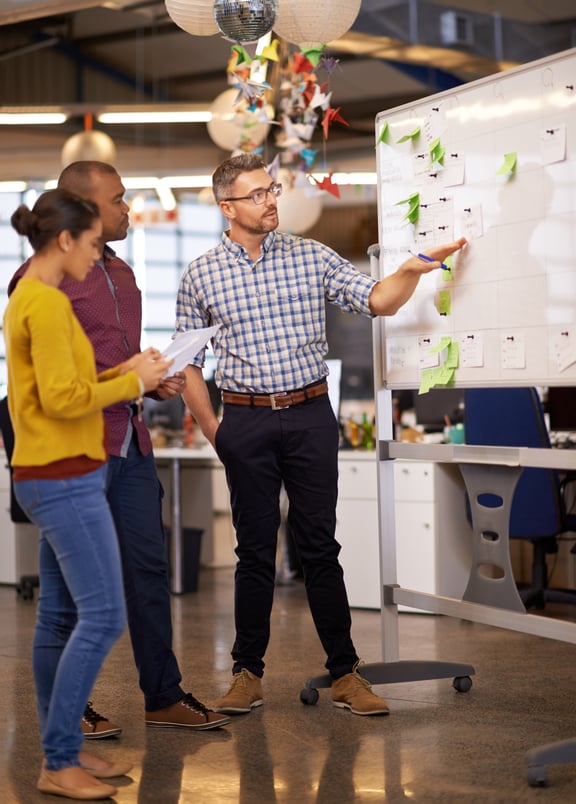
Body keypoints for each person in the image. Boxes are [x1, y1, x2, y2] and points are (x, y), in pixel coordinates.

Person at [175, 153, 467, 717]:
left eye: (272, 190)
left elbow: (377, 300)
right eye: (257, 194)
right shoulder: (201, 274)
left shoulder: (312, 256)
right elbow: (188, 361)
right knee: (254, 550)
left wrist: (411, 269)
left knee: (318, 547)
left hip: (310, 414)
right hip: (245, 419)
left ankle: (345, 674)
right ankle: (246, 674)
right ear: (227, 206)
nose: (270, 201)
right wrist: (216, 430)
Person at [9, 161, 230, 735]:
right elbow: (57, 380)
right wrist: (135, 378)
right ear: (82, 209)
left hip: (130, 442)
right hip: (76, 445)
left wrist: (155, 378)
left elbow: (113, 359)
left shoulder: (123, 273)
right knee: (68, 591)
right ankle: (67, 711)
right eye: (117, 199)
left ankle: (162, 696)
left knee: (148, 571)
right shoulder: (42, 281)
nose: (127, 208)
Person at [4, 189, 172, 799]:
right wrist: (133, 381)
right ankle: (57, 760)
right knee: (102, 614)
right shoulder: (44, 303)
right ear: (67, 240)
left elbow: (67, 383)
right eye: (95, 244)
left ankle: (64, 751)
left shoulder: (32, 296)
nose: (99, 257)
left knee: (60, 614)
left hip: (51, 470)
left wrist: (125, 371)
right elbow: (61, 401)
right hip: (62, 472)